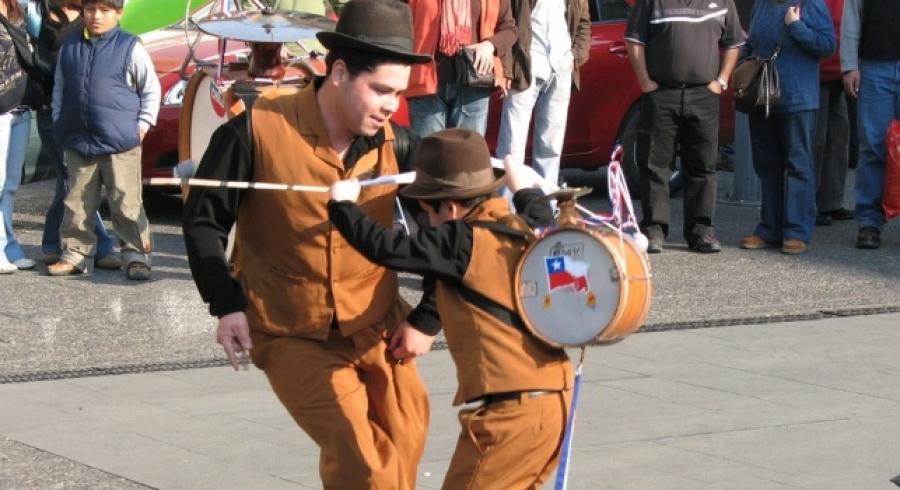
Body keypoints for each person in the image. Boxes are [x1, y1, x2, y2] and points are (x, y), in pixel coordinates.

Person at [182, 1, 436, 488]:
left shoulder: (398, 145)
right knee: (362, 457)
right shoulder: (255, 130)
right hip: (288, 328)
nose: (390, 106)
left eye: (398, 94)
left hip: (376, 323)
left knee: (405, 441)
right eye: (380, 90)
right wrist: (225, 304)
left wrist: (427, 316)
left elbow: (444, 235)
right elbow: (204, 222)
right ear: (339, 72)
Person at [328, 128, 573, 489]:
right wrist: (525, 191)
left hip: (511, 414)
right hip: (556, 401)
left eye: (428, 213)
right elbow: (542, 217)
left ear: (451, 207)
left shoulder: (462, 238)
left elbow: (388, 247)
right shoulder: (523, 227)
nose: (428, 223)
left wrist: (343, 206)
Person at [47, 0, 159, 279]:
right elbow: (60, 87)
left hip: (120, 141)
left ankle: (136, 255)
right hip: (78, 138)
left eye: (105, 10)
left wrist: (142, 127)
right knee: (77, 200)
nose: (96, 16)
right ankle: (75, 253)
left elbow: (150, 90)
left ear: (118, 13)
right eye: (91, 9)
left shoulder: (130, 47)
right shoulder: (70, 46)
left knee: (125, 200)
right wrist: (61, 120)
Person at [625, 0, 744, 254]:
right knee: (655, 166)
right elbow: (634, 40)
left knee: (703, 166)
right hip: (662, 93)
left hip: (703, 94)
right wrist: (645, 81)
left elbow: (734, 42)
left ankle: (701, 232)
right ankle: (654, 231)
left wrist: (721, 81)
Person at [26, 0, 120, 269]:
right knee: (75, 178)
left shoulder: (93, 12)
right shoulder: (38, 12)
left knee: (66, 182)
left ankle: (51, 244)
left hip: (85, 111)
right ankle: (100, 247)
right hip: (51, 109)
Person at [739, 0, 835, 254]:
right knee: (766, 165)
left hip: (798, 99)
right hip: (762, 97)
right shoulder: (761, 4)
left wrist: (796, 27)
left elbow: (827, 45)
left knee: (798, 165)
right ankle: (768, 228)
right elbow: (752, 43)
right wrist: (743, 64)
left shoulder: (811, 4)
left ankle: (796, 231)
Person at [495, 0, 590, 189]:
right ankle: (507, 210)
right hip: (525, 66)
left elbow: (584, 22)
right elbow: (505, 19)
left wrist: (575, 56)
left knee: (551, 148)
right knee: (511, 147)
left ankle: (546, 208)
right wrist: (506, 67)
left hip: (561, 67)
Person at [405, 0, 517, 137]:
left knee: (467, 156)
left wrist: (489, 45)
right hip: (425, 84)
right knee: (428, 155)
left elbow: (509, 28)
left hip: (474, 86)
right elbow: (397, 19)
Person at [841, 0, 899, 249]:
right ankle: (869, 221)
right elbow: (852, 15)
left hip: (876, 67)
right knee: (873, 147)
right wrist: (849, 64)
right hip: (874, 66)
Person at [0, 0, 33, 273]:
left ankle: (9, 246)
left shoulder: (18, 12)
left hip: (21, 108)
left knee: (11, 184)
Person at [813, 0, 853, 227]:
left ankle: (831, 201)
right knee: (815, 140)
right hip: (816, 70)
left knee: (839, 136)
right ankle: (809, 202)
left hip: (840, 69)